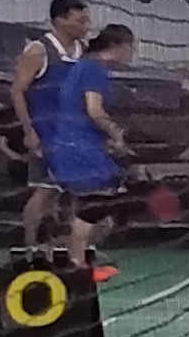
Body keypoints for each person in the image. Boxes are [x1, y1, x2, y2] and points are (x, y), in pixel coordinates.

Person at [29, 20, 133, 277]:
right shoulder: (93, 69)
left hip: (75, 144)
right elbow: (94, 110)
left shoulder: (82, 67)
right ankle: (73, 259)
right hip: (79, 148)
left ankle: (76, 257)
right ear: (118, 46)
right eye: (130, 47)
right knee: (102, 201)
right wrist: (116, 134)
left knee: (94, 202)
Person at [11, 0, 93, 257]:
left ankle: (68, 251)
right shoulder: (40, 50)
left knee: (72, 193)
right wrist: (29, 131)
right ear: (60, 20)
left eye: (87, 20)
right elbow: (17, 91)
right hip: (48, 132)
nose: (86, 26)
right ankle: (30, 248)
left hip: (75, 133)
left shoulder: (83, 52)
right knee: (45, 191)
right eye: (80, 20)